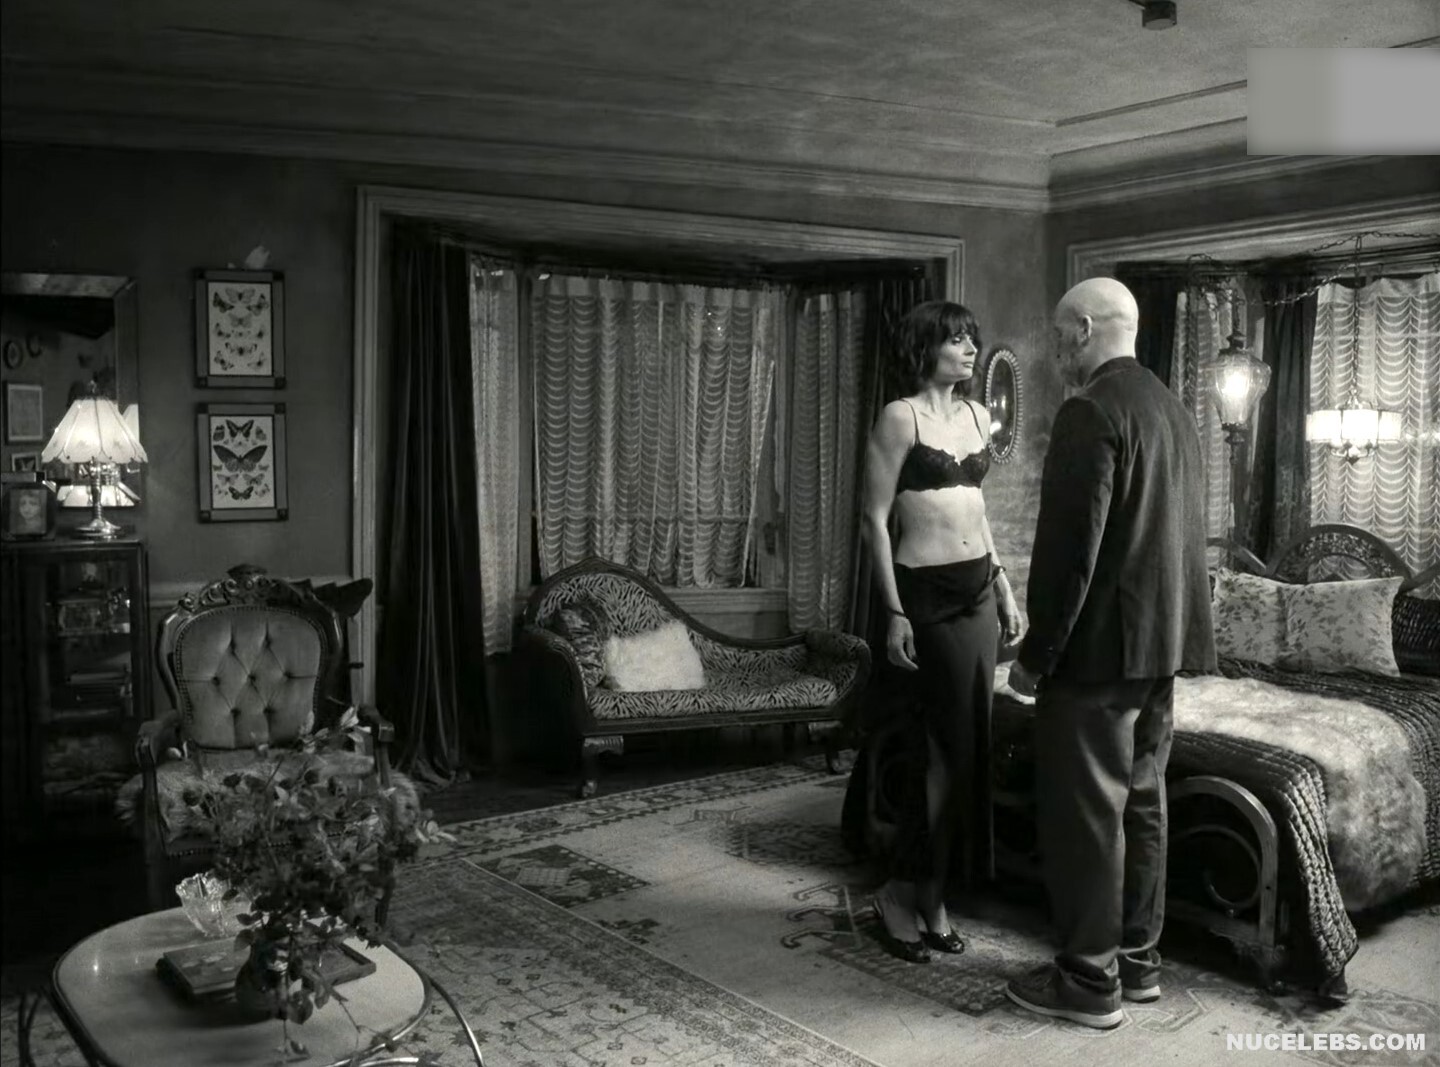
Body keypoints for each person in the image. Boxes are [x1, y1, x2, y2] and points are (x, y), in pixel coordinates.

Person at [1004, 278, 1216, 1027]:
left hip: (1097, 654)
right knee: (1143, 805)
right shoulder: (1174, 409)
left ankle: (1089, 981)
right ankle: (1137, 962)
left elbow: (1071, 553)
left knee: (1089, 816)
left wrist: (1036, 654)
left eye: (1061, 335)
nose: (1057, 350)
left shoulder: (1089, 409)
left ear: (1085, 330)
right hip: (1161, 647)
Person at [859, 300, 1022, 963]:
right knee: (942, 753)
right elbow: (874, 519)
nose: (970, 350)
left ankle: (931, 894)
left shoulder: (979, 417)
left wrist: (1004, 585)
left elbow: (977, 512)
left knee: (970, 751)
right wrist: (894, 610)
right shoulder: (901, 417)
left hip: (979, 592)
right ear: (926, 348)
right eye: (957, 340)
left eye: (972, 339)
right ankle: (900, 893)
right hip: (924, 596)